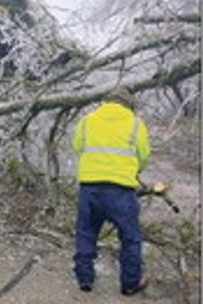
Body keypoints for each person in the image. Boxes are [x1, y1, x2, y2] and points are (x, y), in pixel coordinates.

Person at [71, 87, 152, 296]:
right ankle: (130, 283)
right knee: (130, 238)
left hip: (90, 188)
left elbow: (77, 146)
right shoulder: (136, 124)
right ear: (129, 104)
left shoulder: (87, 120)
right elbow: (143, 155)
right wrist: (133, 170)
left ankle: (85, 279)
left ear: (105, 102)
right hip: (121, 191)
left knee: (86, 233)